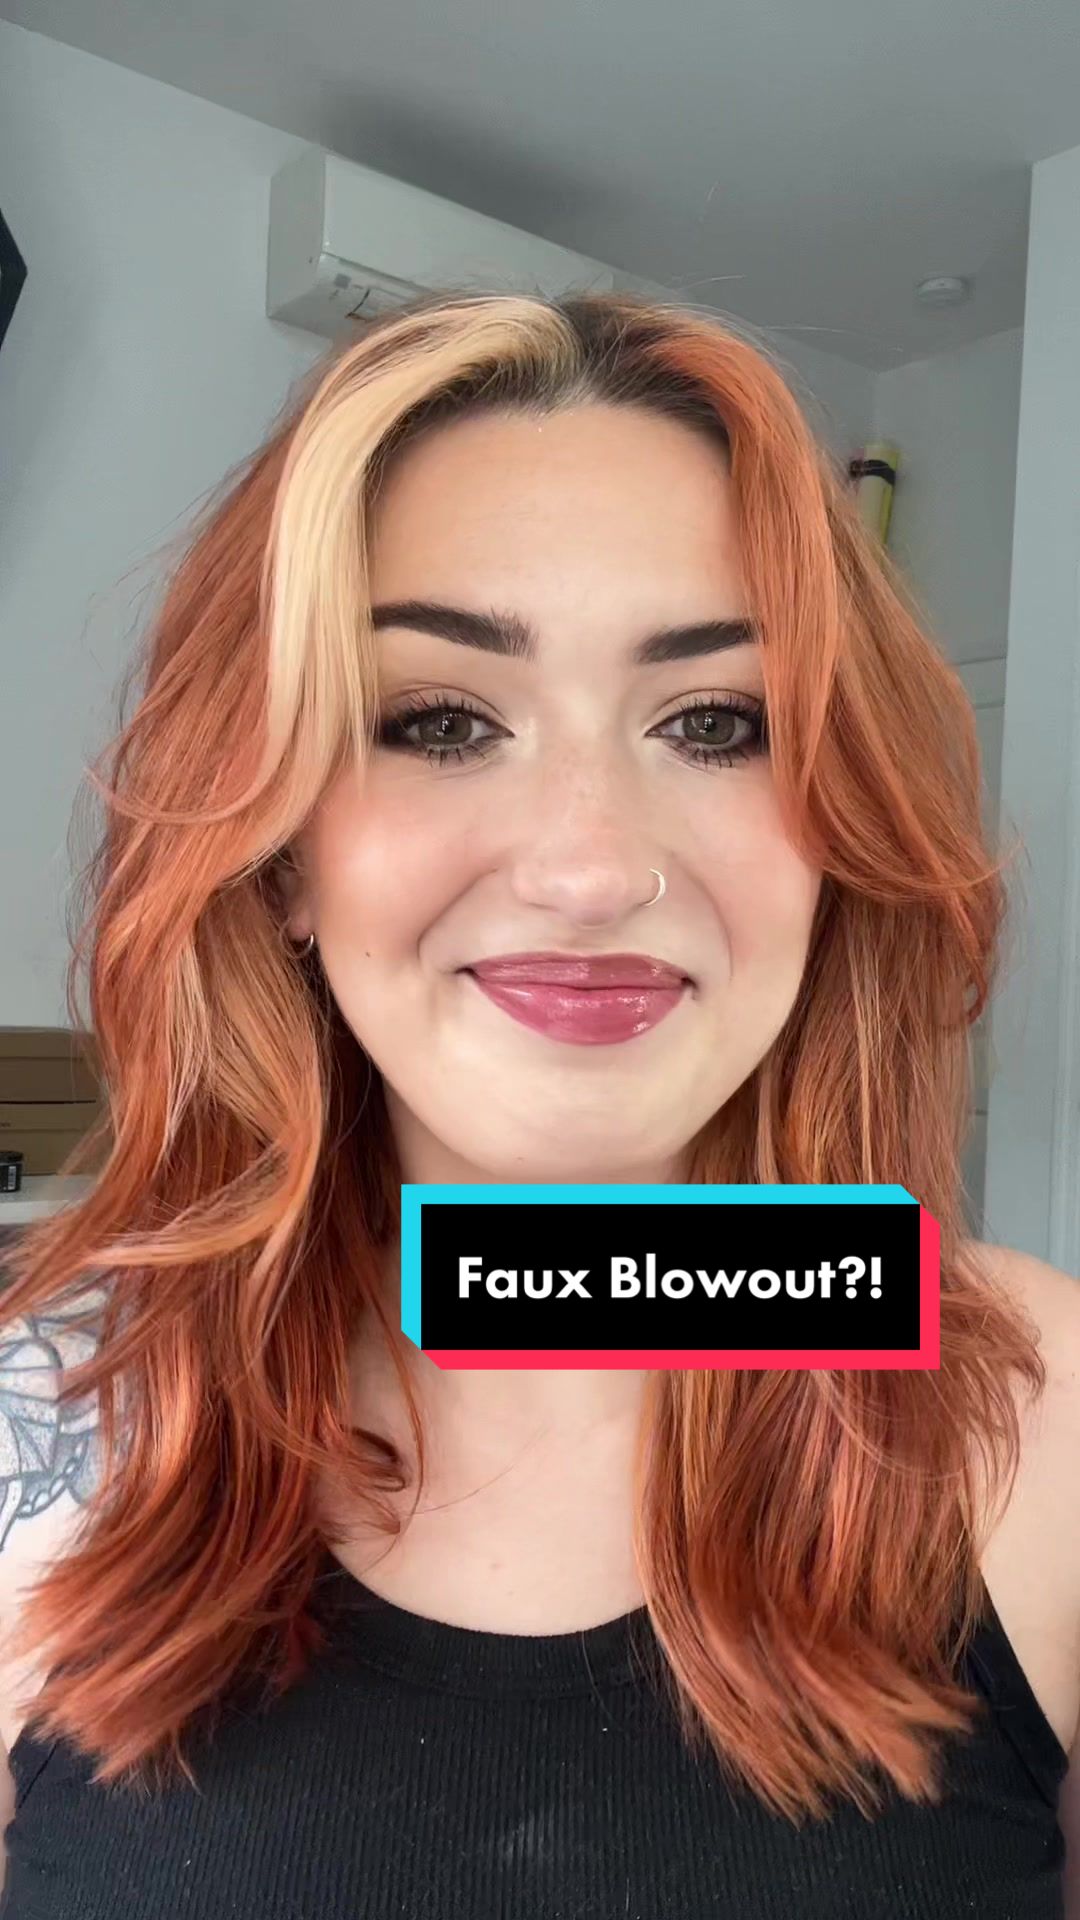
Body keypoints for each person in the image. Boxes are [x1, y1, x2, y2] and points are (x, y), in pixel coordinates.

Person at [0, 289, 1077, 1919]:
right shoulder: (48, 1424)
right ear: (278, 851)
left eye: (715, 723)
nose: (590, 867)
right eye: (442, 721)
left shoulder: (1044, 1413)